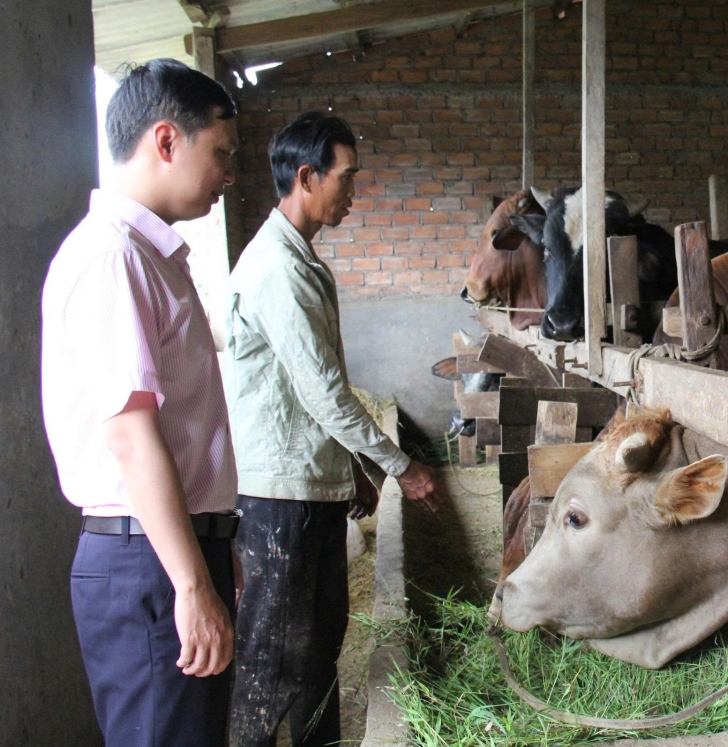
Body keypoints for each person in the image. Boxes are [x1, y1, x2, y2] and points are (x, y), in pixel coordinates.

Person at [41, 58, 241, 747]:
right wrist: (189, 584)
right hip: (147, 564)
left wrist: (214, 548)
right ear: (165, 141)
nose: (228, 174)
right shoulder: (112, 257)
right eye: (220, 152)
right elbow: (131, 435)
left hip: (167, 548)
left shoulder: (151, 257)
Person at [226, 111, 439, 746]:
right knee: (274, 666)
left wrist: (351, 474)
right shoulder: (278, 270)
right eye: (346, 178)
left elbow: (306, 393)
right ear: (306, 176)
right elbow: (323, 392)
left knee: (319, 649)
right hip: (279, 500)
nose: (352, 192)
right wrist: (401, 465)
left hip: (308, 489)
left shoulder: (300, 260)